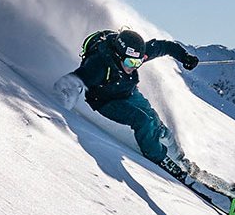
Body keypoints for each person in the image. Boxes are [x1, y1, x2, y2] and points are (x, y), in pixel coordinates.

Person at [68, 28, 202, 179]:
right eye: (130, 62)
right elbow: (73, 81)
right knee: (142, 120)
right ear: (118, 55)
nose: (133, 67)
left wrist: (185, 57)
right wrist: (60, 103)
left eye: (138, 62)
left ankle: (179, 159)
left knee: (157, 124)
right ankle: (159, 158)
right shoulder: (99, 65)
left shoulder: (135, 54)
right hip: (105, 101)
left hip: (128, 93)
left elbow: (164, 47)